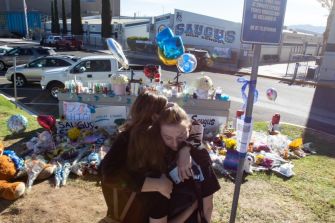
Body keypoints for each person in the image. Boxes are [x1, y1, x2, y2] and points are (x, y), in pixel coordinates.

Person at [100, 92, 193, 223]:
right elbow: (109, 174)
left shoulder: (153, 137)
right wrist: (155, 184)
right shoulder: (137, 143)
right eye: (165, 111)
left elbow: (193, 126)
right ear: (155, 117)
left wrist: (185, 149)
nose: (169, 114)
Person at [151, 103, 220, 223]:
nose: (175, 144)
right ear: (159, 133)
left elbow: (207, 205)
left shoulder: (199, 155)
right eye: (167, 138)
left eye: (181, 136)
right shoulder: (156, 157)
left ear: (189, 129)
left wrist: (186, 148)